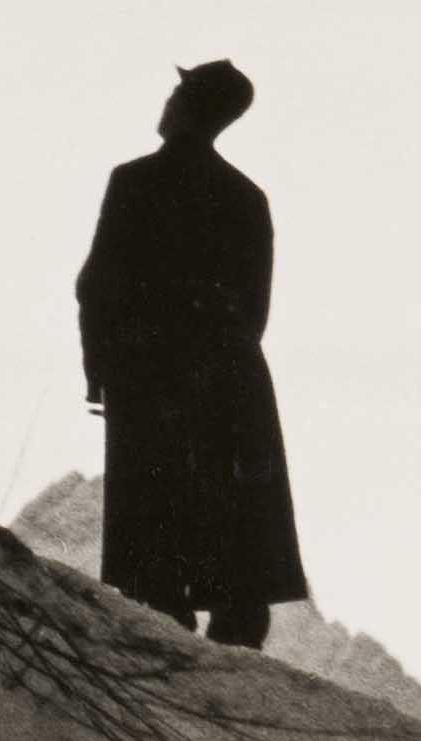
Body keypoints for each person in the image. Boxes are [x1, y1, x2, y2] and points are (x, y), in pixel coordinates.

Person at [71, 60, 309, 648]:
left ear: (185, 104)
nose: (166, 102)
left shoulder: (134, 180)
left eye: (175, 92)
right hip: (231, 378)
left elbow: (96, 285)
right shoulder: (248, 197)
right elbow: (255, 310)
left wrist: (99, 367)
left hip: (149, 375)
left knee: (153, 549)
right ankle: (235, 669)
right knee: (236, 543)